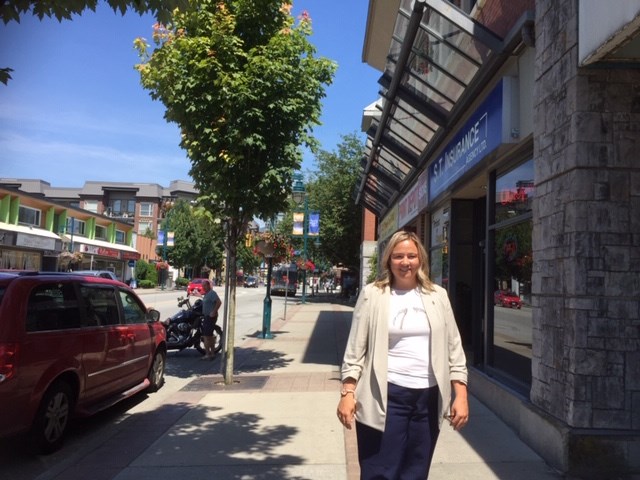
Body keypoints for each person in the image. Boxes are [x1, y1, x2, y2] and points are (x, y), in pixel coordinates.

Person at [337, 230, 469, 479]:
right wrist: (348, 392)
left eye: (411, 255)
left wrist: (460, 394)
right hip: (387, 394)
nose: (405, 262)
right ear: (389, 260)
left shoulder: (437, 296)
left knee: (416, 471)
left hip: (427, 400)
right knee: (380, 471)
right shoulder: (373, 295)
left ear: (420, 259)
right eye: (398, 256)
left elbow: (454, 349)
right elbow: (355, 351)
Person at [194, 279, 222, 360]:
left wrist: (214, 311)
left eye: (205, 286)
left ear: (209, 286)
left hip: (210, 317)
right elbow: (207, 300)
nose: (204, 287)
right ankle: (212, 353)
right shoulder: (207, 294)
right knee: (210, 336)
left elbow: (219, 302)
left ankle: (207, 354)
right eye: (203, 286)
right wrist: (200, 296)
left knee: (206, 336)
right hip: (207, 316)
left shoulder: (212, 293)